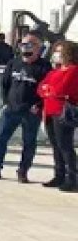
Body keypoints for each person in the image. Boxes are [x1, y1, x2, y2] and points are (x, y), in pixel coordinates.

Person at [37, 40, 78, 191]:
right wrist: (48, 90)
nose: (56, 54)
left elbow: (62, 89)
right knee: (56, 146)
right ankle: (59, 175)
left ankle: (72, 178)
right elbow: (41, 88)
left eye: (59, 51)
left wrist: (49, 90)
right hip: (49, 111)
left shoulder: (73, 70)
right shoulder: (54, 71)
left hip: (63, 112)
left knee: (65, 146)